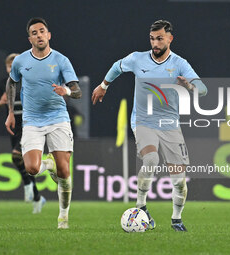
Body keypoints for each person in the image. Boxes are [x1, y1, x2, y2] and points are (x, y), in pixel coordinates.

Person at [92, 20, 207, 231]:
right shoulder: (137, 58)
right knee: (151, 158)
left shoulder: (180, 63)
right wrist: (103, 86)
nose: (155, 43)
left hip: (170, 125)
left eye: (160, 38)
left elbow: (203, 89)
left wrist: (189, 85)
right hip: (143, 121)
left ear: (170, 39)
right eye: (152, 38)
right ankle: (141, 207)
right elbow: (117, 67)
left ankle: (176, 219)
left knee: (179, 180)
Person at [5, 17, 82, 229]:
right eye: (34, 32)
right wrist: (11, 112)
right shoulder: (21, 61)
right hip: (32, 121)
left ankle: (63, 217)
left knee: (64, 173)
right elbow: (11, 83)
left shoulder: (61, 60)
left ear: (48, 35)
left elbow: (77, 91)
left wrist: (65, 90)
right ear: (30, 38)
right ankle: (47, 164)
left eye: (42, 31)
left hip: (58, 118)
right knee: (31, 168)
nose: (39, 35)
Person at [0, 53, 45, 214]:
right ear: (7, 68)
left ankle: (28, 185)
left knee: (16, 155)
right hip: (13, 125)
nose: (12, 68)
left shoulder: (29, 79)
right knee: (22, 161)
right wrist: (0, 103)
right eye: (9, 65)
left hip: (29, 123)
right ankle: (36, 195)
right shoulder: (3, 84)